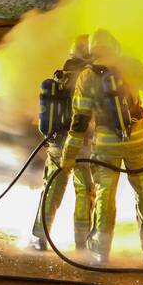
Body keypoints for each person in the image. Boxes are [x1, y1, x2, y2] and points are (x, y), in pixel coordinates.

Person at [60, 29, 143, 265]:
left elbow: (79, 123)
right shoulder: (132, 66)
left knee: (105, 194)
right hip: (139, 142)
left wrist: (68, 157)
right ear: (114, 46)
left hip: (106, 146)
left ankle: (101, 251)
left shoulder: (86, 77)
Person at [30, 35, 96, 252]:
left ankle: (39, 237)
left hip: (56, 144)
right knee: (85, 191)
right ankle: (82, 241)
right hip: (79, 144)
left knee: (51, 190)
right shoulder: (87, 78)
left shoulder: (60, 76)